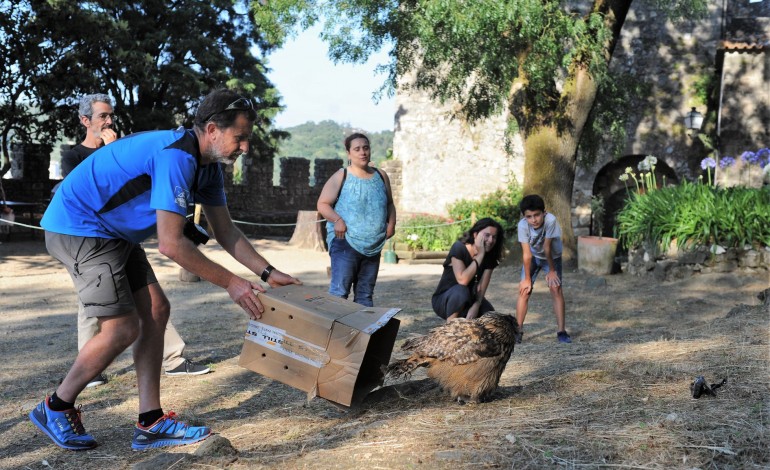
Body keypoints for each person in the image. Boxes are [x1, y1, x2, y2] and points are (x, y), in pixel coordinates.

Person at [32, 88, 301, 451]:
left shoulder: (207, 168)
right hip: (79, 226)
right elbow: (171, 244)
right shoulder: (177, 156)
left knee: (157, 311)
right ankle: (56, 405)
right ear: (211, 130)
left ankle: (150, 421)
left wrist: (267, 272)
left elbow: (225, 230)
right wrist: (233, 284)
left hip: (112, 232)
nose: (245, 147)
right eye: (240, 137)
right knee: (122, 327)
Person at [59, 94, 208, 388]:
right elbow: (80, 187)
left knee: (151, 301)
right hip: (89, 237)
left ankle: (173, 359)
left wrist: (115, 149)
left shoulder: (121, 148)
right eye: (103, 116)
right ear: (85, 120)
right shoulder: (73, 154)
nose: (109, 121)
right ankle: (90, 366)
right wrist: (108, 151)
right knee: (92, 303)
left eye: (111, 115)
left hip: (123, 235)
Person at [316, 133, 396, 307]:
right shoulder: (341, 176)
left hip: (373, 246)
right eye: (357, 149)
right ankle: (336, 334)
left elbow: (390, 204)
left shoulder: (381, 176)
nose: (363, 152)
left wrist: (392, 224)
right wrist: (337, 219)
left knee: (365, 297)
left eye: (366, 148)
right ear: (348, 153)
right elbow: (322, 204)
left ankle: (361, 334)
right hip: (345, 243)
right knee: (339, 294)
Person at [516, 194, 571, 344]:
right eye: (529, 216)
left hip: (552, 257)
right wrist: (527, 279)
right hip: (533, 257)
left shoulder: (550, 220)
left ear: (544, 213)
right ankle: (518, 331)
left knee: (556, 288)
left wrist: (552, 271)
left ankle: (561, 332)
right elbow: (526, 254)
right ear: (524, 217)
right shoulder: (522, 226)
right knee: (524, 290)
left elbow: (547, 248)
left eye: (537, 215)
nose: (534, 220)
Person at [431, 218, 505, 321]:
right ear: (475, 235)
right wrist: (480, 254)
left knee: (491, 317)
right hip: (446, 299)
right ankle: (450, 329)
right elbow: (463, 280)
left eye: (494, 237)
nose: (491, 240)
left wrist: (476, 305)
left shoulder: (490, 256)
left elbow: (481, 287)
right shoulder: (459, 248)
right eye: (487, 235)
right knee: (461, 290)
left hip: (470, 299)